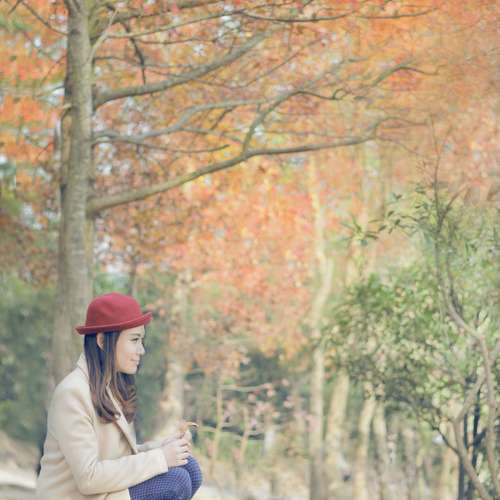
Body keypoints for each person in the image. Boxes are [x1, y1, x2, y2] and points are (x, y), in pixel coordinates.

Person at [36, 292, 203, 500]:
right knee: (176, 481)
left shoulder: (109, 387)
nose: (141, 350)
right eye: (134, 340)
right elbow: (89, 478)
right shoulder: (72, 393)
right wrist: (160, 458)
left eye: (141, 340)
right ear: (102, 341)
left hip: (105, 493)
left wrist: (161, 448)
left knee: (189, 467)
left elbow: (118, 459)